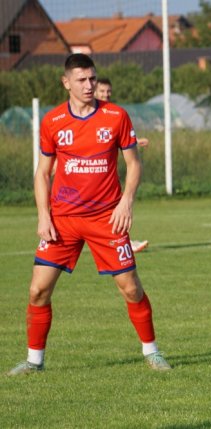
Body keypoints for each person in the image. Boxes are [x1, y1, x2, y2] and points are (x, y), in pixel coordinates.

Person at [7, 54, 171, 376]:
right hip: (63, 220)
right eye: (81, 80)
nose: (89, 85)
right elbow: (42, 174)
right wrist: (43, 216)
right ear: (66, 82)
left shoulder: (116, 117)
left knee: (131, 288)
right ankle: (33, 362)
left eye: (92, 79)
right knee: (37, 291)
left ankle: (151, 352)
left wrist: (126, 202)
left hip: (106, 219)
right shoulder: (53, 122)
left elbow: (134, 164)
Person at [94, 77, 149, 253]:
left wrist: (134, 141)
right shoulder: (86, 114)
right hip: (85, 173)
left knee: (116, 206)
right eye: (102, 91)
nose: (106, 94)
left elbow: (114, 138)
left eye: (108, 91)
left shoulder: (113, 114)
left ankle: (124, 241)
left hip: (105, 174)